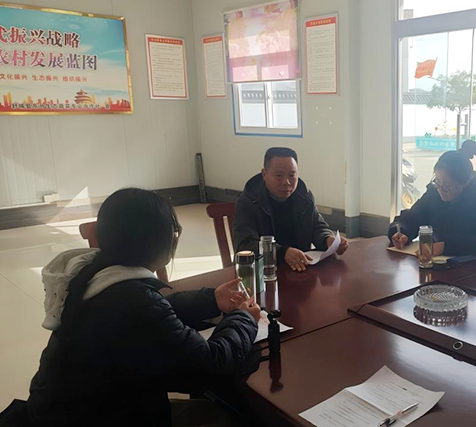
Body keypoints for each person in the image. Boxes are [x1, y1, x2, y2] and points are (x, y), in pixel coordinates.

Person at [27, 188, 261, 427]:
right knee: (232, 416)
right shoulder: (136, 304)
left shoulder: (92, 275)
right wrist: (243, 318)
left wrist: (210, 300)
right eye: (174, 231)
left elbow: (157, 313)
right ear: (159, 241)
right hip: (104, 416)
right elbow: (209, 367)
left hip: (71, 410)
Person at [234, 147, 348, 272]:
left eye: (292, 175)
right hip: (262, 273)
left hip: (301, 270)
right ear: (264, 174)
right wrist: (282, 252)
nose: (286, 182)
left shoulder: (304, 197)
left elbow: (317, 226)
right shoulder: (249, 202)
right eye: (279, 175)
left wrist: (328, 239)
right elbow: (245, 245)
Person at [389, 151, 476, 257]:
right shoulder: (434, 192)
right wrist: (402, 232)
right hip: (436, 265)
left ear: (465, 183)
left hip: (475, 269)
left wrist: (447, 247)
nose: (441, 189)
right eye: (437, 181)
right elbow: (413, 217)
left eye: (447, 185)